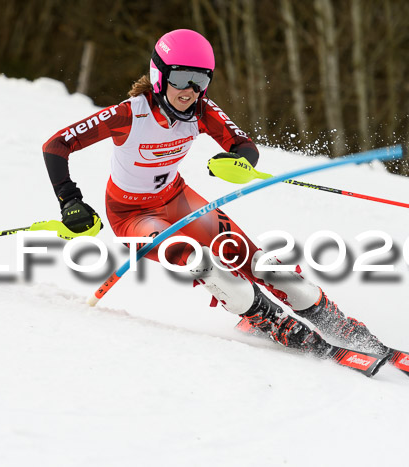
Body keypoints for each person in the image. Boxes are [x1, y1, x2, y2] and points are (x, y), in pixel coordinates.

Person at [41, 29, 390, 359]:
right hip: (131, 216)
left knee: (254, 260)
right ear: (160, 75)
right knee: (200, 259)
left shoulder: (201, 111)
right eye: (180, 79)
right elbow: (56, 145)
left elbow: (244, 145)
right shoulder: (129, 114)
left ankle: (335, 321)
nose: (189, 90)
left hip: (177, 199)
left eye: (200, 81)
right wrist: (70, 200)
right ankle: (268, 319)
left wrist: (239, 161)